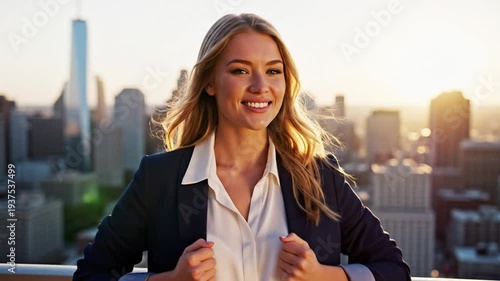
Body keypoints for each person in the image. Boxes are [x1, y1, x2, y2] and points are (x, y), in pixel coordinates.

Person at [73, 13, 411, 281]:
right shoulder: (159, 180)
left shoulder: (321, 178)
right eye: (240, 70)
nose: (260, 86)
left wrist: (324, 277)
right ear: (209, 82)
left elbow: (394, 271)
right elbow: (91, 275)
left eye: (273, 71)